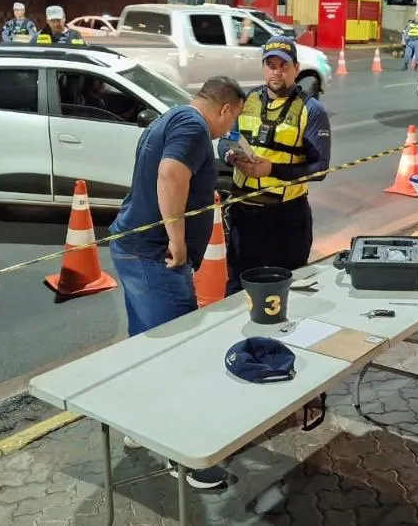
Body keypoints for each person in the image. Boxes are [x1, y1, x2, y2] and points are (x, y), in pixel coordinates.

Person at [108, 76, 245, 489]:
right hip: (155, 254)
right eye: (233, 119)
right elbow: (170, 176)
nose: (230, 129)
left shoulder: (171, 117)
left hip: (132, 245)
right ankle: (184, 456)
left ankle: (139, 423)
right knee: (178, 352)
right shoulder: (193, 128)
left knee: (147, 344)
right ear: (225, 109)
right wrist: (177, 240)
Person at [218, 36, 332, 295]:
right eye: (271, 65)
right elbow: (226, 140)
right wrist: (231, 157)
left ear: (296, 68)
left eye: (284, 65)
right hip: (243, 214)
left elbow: (321, 168)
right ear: (263, 67)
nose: (276, 71)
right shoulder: (246, 100)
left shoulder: (311, 110)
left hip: (286, 218)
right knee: (238, 287)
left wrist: (272, 171)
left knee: (286, 289)